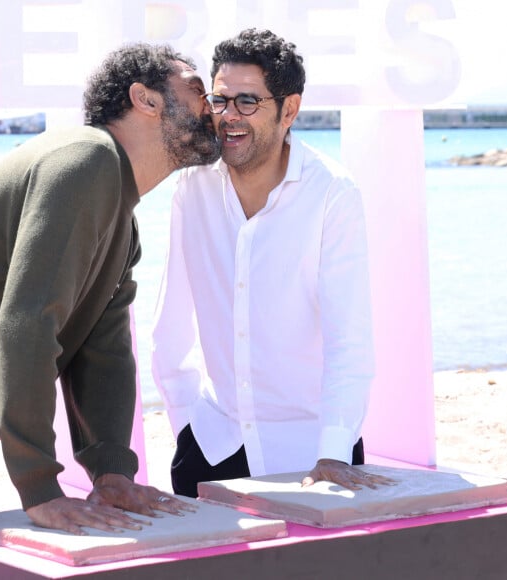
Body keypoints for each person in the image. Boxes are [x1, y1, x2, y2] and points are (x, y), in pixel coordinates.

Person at [0, 42, 221, 534]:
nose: (213, 106)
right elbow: (28, 322)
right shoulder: (85, 159)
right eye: (198, 89)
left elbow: (104, 349)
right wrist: (39, 488)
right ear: (146, 99)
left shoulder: (122, 216)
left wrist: (112, 471)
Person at [152, 29, 395, 498]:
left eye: (248, 101)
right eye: (220, 100)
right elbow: (171, 324)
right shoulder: (191, 188)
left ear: (290, 110)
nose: (228, 117)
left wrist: (334, 451)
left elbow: (351, 338)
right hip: (213, 446)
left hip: (315, 455)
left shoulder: (332, 193)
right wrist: (185, 423)